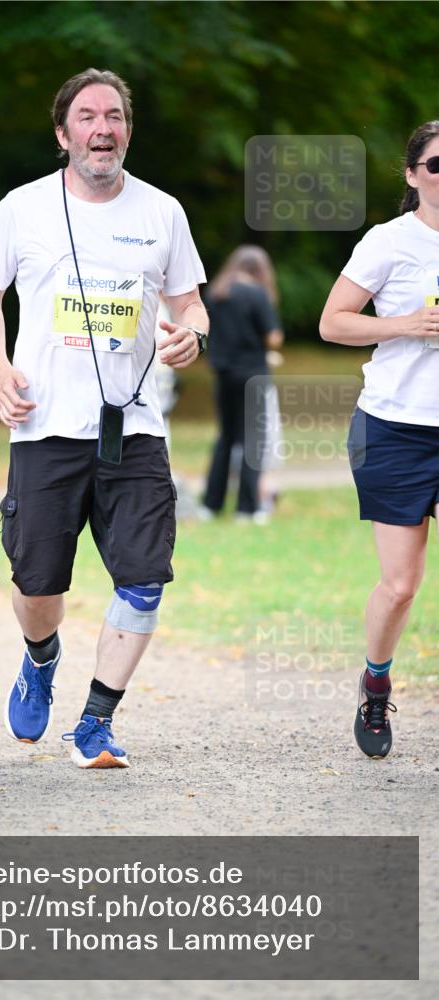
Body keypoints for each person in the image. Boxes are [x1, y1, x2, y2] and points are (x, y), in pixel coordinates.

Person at [0, 68, 207, 769]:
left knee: (144, 578)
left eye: (114, 116)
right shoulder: (22, 208)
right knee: (36, 584)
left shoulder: (162, 211)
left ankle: (96, 722)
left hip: (134, 427)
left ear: (126, 131)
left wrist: (194, 334)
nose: (102, 128)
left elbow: (189, 302)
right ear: (62, 132)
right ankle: (40, 657)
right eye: (87, 116)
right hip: (44, 424)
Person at [319, 120, 439, 759]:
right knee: (400, 586)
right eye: (437, 165)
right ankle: (375, 683)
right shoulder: (389, 241)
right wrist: (407, 324)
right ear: (414, 175)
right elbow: (332, 322)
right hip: (394, 427)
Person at [202, 246, 284, 521]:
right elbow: (273, 336)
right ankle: (247, 508)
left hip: (223, 372)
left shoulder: (217, 293)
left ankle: (211, 504)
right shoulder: (257, 294)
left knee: (226, 437)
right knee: (253, 439)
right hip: (252, 374)